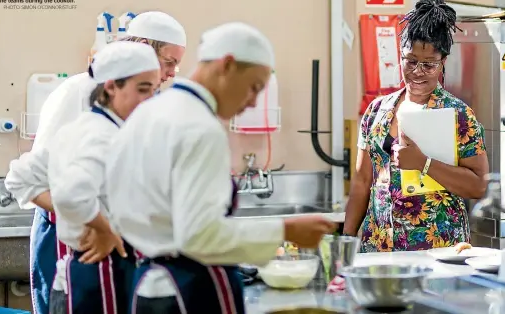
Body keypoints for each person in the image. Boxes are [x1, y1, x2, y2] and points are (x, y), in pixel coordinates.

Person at [105, 22, 336, 314]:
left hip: (149, 287)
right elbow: (200, 237)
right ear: (226, 65)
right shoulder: (199, 127)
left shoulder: (150, 112)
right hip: (190, 289)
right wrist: (285, 230)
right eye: (254, 87)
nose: (253, 102)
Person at [4, 11, 186, 314]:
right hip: (72, 243)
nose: (171, 74)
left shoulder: (136, 111)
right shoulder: (75, 95)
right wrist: (96, 225)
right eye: (168, 62)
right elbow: (34, 178)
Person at [342, 0, 489, 252]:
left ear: (443, 62)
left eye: (429, 65)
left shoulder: (458, 115)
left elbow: (478, 185)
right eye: (410, 61)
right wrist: (345, 240)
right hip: (379, 248)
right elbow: (362, 181)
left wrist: (423, 163)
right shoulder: (377, 110)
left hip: (436, 250)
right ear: (400, 57)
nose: (418, 72)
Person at [47, 41, 161, 314]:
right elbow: (70, 195)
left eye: (155, 91)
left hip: (98, 270)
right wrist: (104, 228)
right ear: (110, 87)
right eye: (143, 90)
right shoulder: (102, 136)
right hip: (103, 271)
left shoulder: (89, 127)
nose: (150, 101)